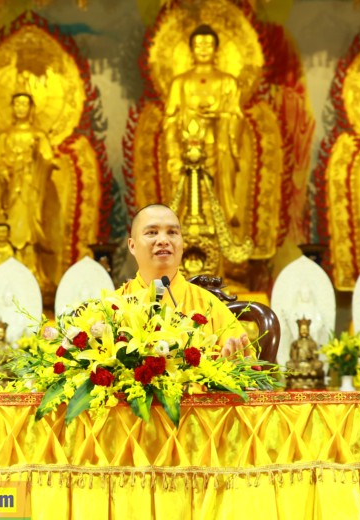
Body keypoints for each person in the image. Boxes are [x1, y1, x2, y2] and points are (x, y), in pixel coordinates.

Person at [120, 204, 250, 358]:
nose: (163, 240)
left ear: (182, 244)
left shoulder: (208, 305)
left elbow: (248, 362)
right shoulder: (114, 306)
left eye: (172, 232)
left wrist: (234, 361)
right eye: (152, 232)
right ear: (132, 246)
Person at [163, 24, 243, 225]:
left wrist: (219, 116)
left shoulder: (228, 82)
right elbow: (170, 120)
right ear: (191, 50)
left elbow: (236, 115)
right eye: (199, 45)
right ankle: (185, 230)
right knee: (188, 194)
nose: (204, 49)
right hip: (186, 148)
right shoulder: (180, 83)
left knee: (215, 193)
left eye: (208, 45)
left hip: (218, 146)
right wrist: (173, 152)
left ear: (216, 49)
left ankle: (219, 226)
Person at [0, 93, 55, 288]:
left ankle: (31, 269)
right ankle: (8, 268)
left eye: (24, 104)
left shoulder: (38, 135)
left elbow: (48, 160)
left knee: (29, 228)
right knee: (9, 223)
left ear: (31, 108)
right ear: (12, 107)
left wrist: (37, 156)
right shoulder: (5, 135)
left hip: (30, 186)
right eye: (17, 104)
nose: (20, 108)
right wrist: (1, 169)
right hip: (10, 188)